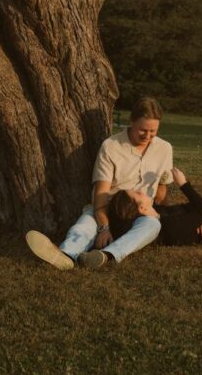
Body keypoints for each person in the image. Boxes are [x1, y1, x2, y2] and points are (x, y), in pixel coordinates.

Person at [25, 97, 173, 270]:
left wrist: (162, 204)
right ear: (131, 121)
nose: (147, 136)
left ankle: (105, 256)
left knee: (152, 225)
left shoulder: (164, 148)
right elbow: (101, 193)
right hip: (108, 207)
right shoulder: (111, 146)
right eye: (143, 130)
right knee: (84, 228)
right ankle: (65, 255)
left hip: (140, 212)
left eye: (153, 132)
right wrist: (104, 227)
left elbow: (163, 186)